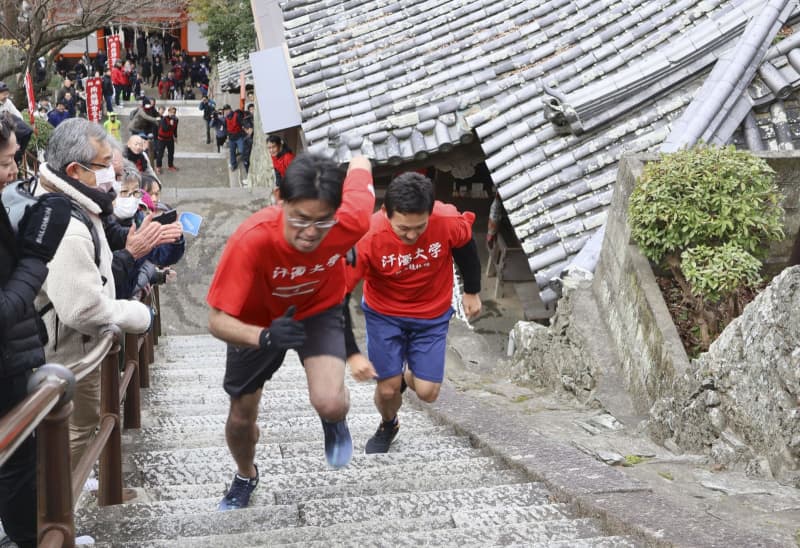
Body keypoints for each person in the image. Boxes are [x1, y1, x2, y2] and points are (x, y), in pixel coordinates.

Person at [206, 153, 375, 511]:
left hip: (319, 309)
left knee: (330, 401)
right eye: (299, 220)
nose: (311, 233)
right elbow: (217, 320)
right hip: (256, 323)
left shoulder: (353, 219)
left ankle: (333, 421)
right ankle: (245, 474)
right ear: (279, 200)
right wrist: (263, 337)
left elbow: (361, 161)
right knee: (240, 419)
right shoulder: (252, 240)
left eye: (323, 222)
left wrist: (346, 244)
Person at [32, 118, 152, 467]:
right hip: (72, 351)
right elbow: (81, 310)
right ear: (74, 169)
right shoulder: (67, 225)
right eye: (103, 167)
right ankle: (57, 513)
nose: (112, 179)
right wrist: (136, 315)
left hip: (73, 347)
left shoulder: (72, 200)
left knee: (81, 427)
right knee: (75, 429)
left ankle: (64, 505)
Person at [346, 171, 482, 453]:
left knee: (428, 392)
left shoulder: (445, 220)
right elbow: (338, 294)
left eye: (419, 228)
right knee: (386, 389)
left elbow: (466, 245)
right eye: (403, 229)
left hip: (430, 315)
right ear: (386, 212)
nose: (411, 235)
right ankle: (388, 423)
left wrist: (472, 290)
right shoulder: (368, 237)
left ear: (430, 213)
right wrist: (351, 352)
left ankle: (406, 376)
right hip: (384, 315)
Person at [0, 114, 71, 548]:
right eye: (7, 161)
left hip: (17, 356)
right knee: (17, 466)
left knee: (23, 459)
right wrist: (36, 254)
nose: (14, 172)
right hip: (7, 361)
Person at [154, 106, 178, 174]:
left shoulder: (176, 119)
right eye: (171, 112)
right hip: (162, 139)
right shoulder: (164, 119)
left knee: (171, 152)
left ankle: (170, 166)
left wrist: (175, 137)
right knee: (160, 154)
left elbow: (175, 129)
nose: (173, 114)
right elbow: (165, 129)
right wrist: (170, 124)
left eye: (174, 112)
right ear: (168, 112)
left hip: (170, 138)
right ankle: (158, 167)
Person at [222, 104, 245, 171]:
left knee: (242, 150)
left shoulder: (237, 115)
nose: (226, 111)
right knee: (232, 152)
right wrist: (227, 135)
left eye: (227, 110)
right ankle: (233, 164)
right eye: (225, 110)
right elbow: (225, 127)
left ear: (230, 109)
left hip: (239, 136)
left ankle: (245, 159)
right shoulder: (226, 118)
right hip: (231, 138)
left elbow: (242, 124)